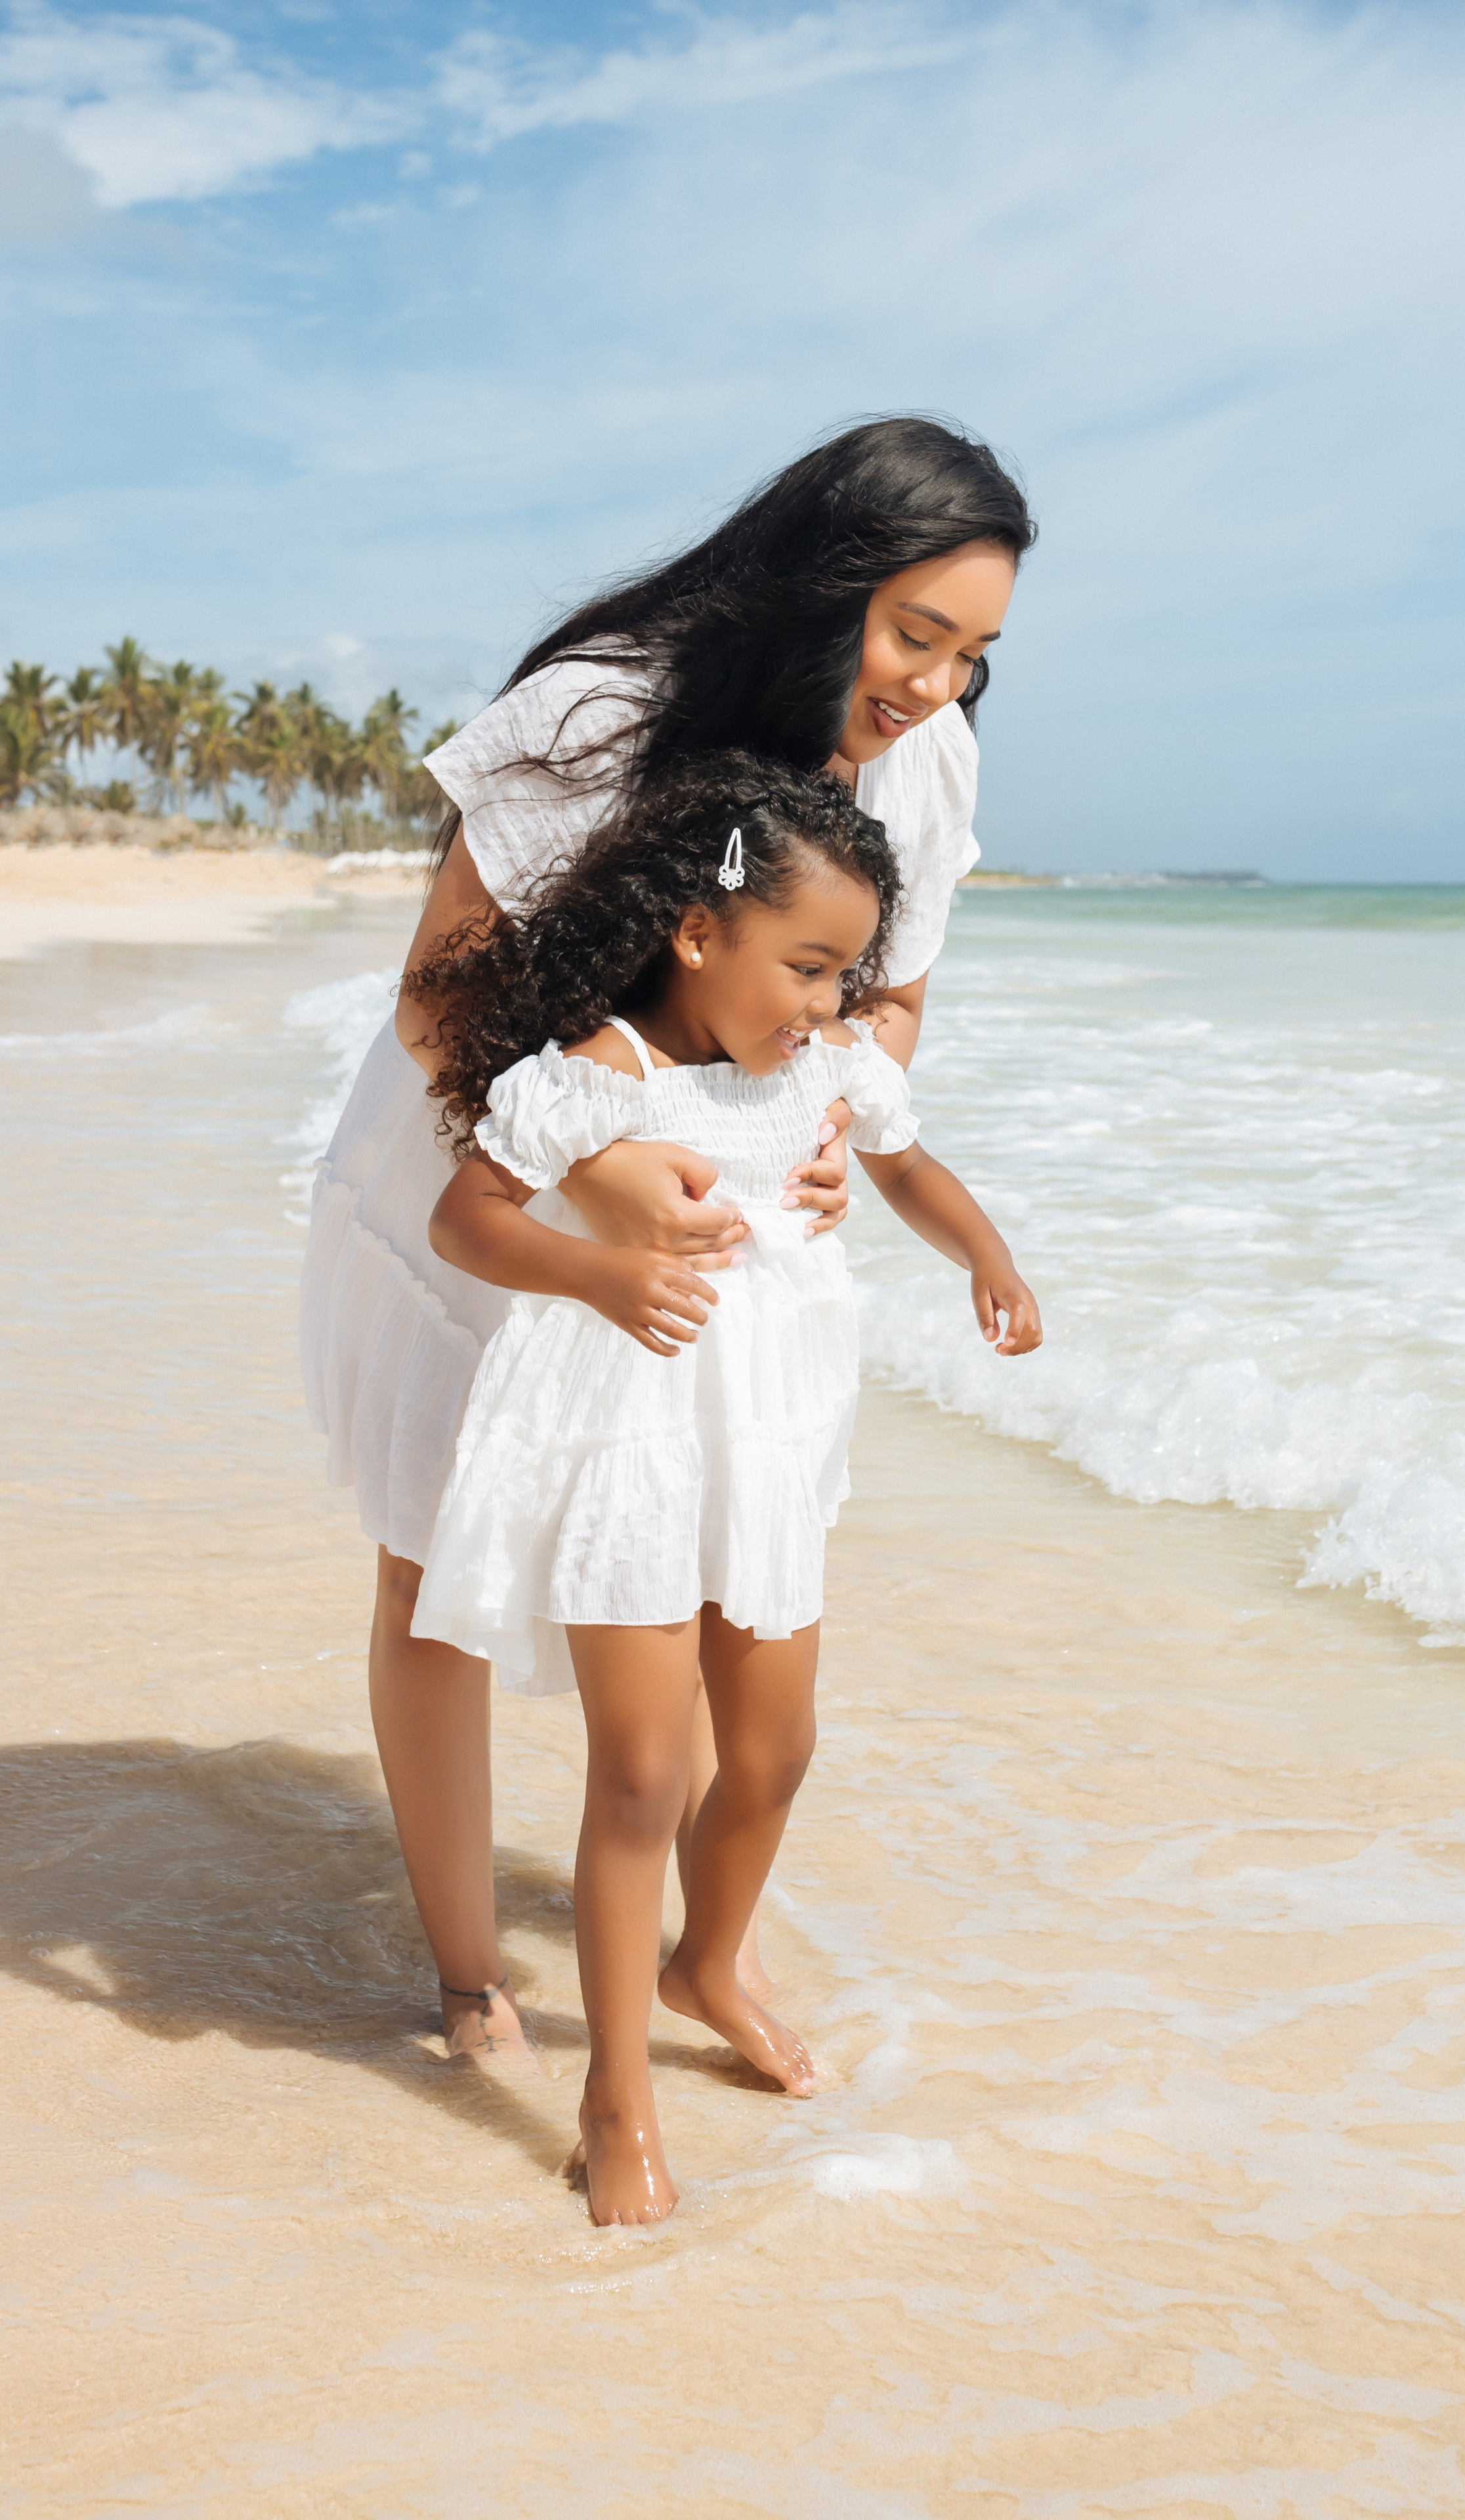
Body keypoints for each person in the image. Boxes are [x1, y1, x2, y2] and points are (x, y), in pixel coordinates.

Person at [300, 416, 1035, 2063]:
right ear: (821, 585)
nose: (933, 685)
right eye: (914, 632)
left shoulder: (924, 753)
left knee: (702, 1560)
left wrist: (837, 1117)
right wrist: (611, 1159)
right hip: (489, 1133)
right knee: (439, 1560)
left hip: (715, 1207)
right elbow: (439, 990)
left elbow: (893, 989)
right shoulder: (602, 705)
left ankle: (704, 1960)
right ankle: (467, 1973)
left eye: (973, 655)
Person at [402, 754, 1042, 2221]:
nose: (825, 1004)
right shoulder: (596, 1079)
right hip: (633, 1427)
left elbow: (908, 1167)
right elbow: (467, 1217)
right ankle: (613, 2098)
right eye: (806, 966)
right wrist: (599, 1273)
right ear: (699, 934)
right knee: (640, 1773)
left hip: (768, 1442)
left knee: (772, 1751)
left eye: (844, 975)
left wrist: (987, 1258)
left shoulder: (824, 1072)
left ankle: (710, 1957)